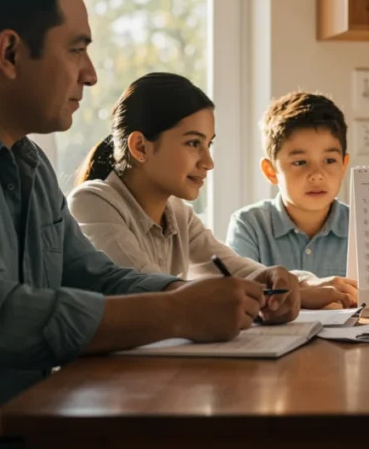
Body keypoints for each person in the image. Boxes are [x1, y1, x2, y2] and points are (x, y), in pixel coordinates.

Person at [0, 0, 278, 448]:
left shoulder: (29, 163)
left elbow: (92, 275)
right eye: (76, 49)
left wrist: (183, 295)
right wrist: (178, 313)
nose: (91, 74)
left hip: (38, 419)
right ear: (10, 53)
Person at [69, 76, 354, 309]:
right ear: (141, 147)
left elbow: (239, 269)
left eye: (209, 145)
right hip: (104, 374)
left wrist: (297, 282)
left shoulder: (178, 214)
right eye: (193, 143)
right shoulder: (92, 202)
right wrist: (291, 295)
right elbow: (149, 289)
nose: (208, 162)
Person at [226, 92, 358, 304]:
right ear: (270, 171)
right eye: (300, 162)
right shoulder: (249, 224)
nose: (317, 174)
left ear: (344, 165)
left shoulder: (360, 226)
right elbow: (240, 294)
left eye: (330, 160)